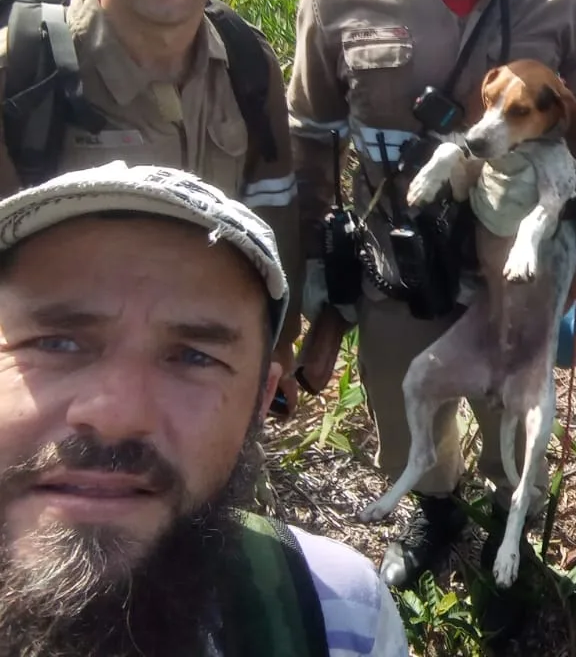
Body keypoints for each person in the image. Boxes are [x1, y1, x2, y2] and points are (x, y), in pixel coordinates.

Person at [286, 0, 576, 614]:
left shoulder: (563, 7)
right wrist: (321, 299)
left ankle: (512, 518)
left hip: (522, 266)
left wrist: (570, 236)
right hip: (401, 270)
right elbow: (309, 146)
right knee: (410, 414)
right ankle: (435, 514)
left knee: (519, 428)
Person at [0, 160, 408, 657]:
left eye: (195, 357)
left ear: (260, 403)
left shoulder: (336, 612)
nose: (116, 414)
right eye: (57, 343)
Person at [0, 0, 302, 410]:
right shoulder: (23, 71)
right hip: (59, 401)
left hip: (204, 386)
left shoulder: (245, 63)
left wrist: (277, 345)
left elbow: (274, 207)